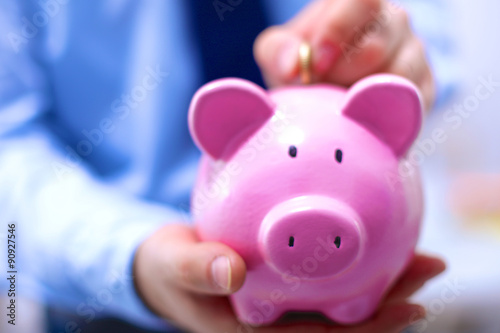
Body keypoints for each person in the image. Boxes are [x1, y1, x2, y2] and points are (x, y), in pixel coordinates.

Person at [0, 0, 449, 332]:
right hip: (109, 300)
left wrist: (392, 53)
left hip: (370, 286)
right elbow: (8, 141)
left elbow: (434, 48)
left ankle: (352, 299)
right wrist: (129, 255)